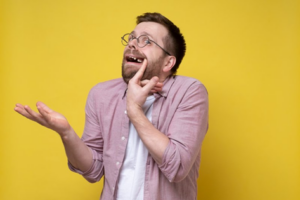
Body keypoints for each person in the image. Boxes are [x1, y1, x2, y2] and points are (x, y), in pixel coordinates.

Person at [14, 12, 208, 200]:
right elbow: (93, 170)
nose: (132, 43)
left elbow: (178, 166)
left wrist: (134, 110)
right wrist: (66, 133)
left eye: (146, 41)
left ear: (168, 62)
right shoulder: (102, 95)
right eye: (132, 38)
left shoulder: (189, 92)